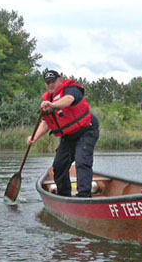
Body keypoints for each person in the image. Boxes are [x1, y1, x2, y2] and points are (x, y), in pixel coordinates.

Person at [27, 70, 100, 198]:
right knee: (59, 166)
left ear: (60, 80)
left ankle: (84, 196)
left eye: (53, 81)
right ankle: (64, 196)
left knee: (82, 161)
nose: (51, 85)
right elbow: (46, 123)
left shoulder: (71, 90)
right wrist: (34, 138)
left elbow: (69, 100)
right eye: (48, 83)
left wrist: (53, 104)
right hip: (69, 136)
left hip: (86, 131)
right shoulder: (48, 101)